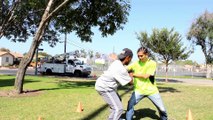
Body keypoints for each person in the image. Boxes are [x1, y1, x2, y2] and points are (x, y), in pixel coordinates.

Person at [126, 47, 168, 120]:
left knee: (162, 109)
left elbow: (146, 76)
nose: (139, 57)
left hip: (151, 90)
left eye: (141, 55)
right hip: (138, 90)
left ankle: (164, 118)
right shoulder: (135, 63)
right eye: (138, 56)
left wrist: (133, 74)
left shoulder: (152, 63)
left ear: (146, 54)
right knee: (130, 105)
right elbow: (125, 69)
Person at [95, 48, 134, 120]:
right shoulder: (121, 69)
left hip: (105, 85)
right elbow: (131, 83)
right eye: (130, 59)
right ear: (128, 58)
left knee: (118, 101)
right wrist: (131, 72)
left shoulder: (117, 62)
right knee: (118, 109)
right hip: (105, 88)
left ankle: (113, 118)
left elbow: (117, 60)